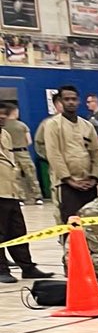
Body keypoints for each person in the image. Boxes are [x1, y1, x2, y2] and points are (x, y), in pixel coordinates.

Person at [0, 104, 51, 282]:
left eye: (4, 115)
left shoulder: (5, 134)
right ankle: (2, 270)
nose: (2, 118)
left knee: (18, 231)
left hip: (11, 190)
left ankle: (27, 267)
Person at [45, 84, 98, 222]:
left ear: (78, 101)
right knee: (71, 222)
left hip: (88, 183)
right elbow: (54, 154)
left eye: (74, 99)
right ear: (60, 101)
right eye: (67, 99)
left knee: (91, 221)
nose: (71, 102)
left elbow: (95, 153)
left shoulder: (87, 125)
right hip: (66, 184)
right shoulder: (53, 124)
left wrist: (94, 178)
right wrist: (69, 180)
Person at [3, 104, 39, 204]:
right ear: (15, 112)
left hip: (10, 154)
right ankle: (37, 196)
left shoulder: (4, 126)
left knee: (16, 177)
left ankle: (20, 198)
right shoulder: (22, 125)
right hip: (23, 153)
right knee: (31, 175)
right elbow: (29, 141)